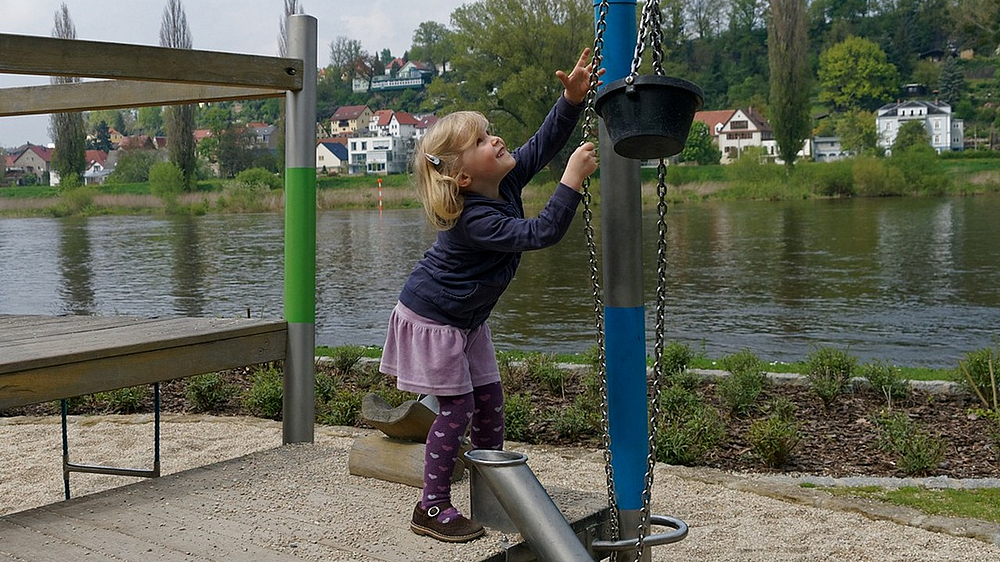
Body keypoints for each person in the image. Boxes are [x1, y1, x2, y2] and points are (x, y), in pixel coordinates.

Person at [378, 47, 602, 543]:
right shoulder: (474, 220)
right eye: (480, 141)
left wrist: (570, 100)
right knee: (457, 409)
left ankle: (494, 488)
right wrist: (570, 180)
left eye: (489, 132)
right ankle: (431, 507)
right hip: (435, 318)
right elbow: (541, 232)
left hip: (468, 319)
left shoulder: (504, 180)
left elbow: (542, 143)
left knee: (490, 399)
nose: (495, 139)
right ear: (463, 178)